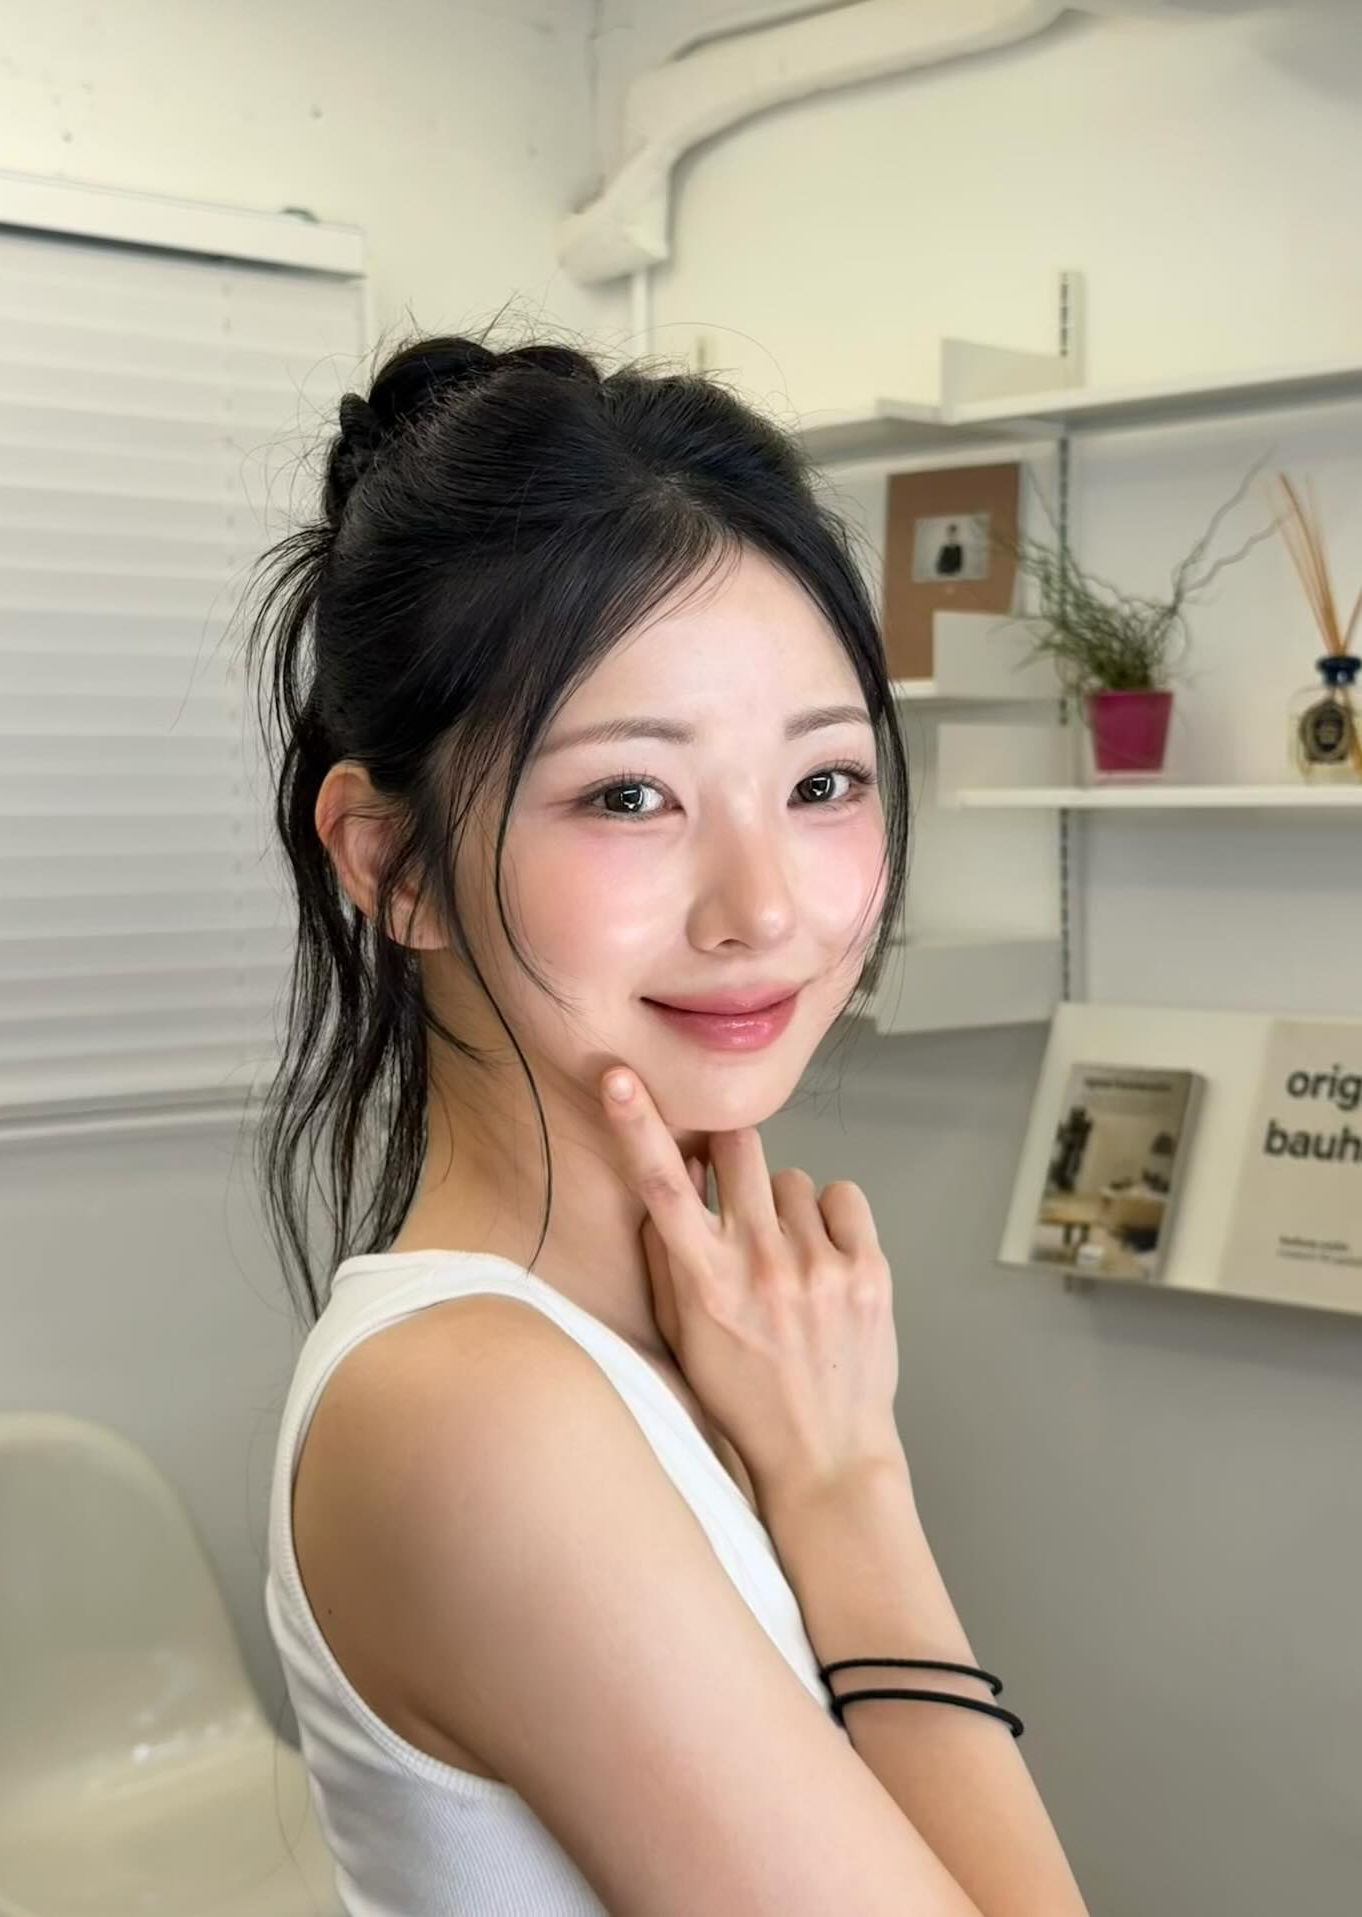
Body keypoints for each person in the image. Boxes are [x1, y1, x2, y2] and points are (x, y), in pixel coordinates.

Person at [248, 319, 1090, 1916]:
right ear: (391, 862)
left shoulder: (681, 1350)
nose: (762, 907)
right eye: (629, 794)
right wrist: (847, 1487)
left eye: (823, 782)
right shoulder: (475, 1411)